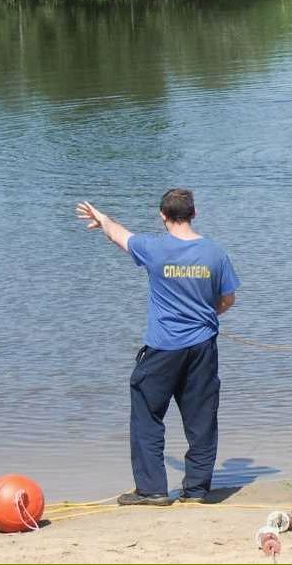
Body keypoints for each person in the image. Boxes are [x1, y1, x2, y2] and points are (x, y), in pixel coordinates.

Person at [75, 188, 239, 506]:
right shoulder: (215, 253)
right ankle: (196, 490)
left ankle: (152, 489)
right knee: (201, 416)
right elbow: (228, 299)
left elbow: (120, 236)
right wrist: (207, 314)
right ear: (194, 213)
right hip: (202, 346)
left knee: (147, 411)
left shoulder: (154, 248)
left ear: (163, 216)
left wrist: (102, 218)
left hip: (163, 348)